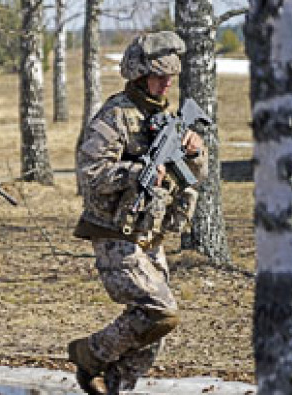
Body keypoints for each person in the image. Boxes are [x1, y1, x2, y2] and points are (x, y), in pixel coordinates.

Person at [69, 31, 207, 394]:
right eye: (159, 75)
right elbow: (90, 174)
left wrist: (193, 152)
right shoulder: (115, 115)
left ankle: (112, 385)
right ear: (139, 74)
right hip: (115, 235)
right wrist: (136, 171)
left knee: (154, 331)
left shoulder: (168, 118)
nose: (166, 82)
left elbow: (193, 177)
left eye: (170, 76)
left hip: (150, 236)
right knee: (160, 312)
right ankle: (91, 353)